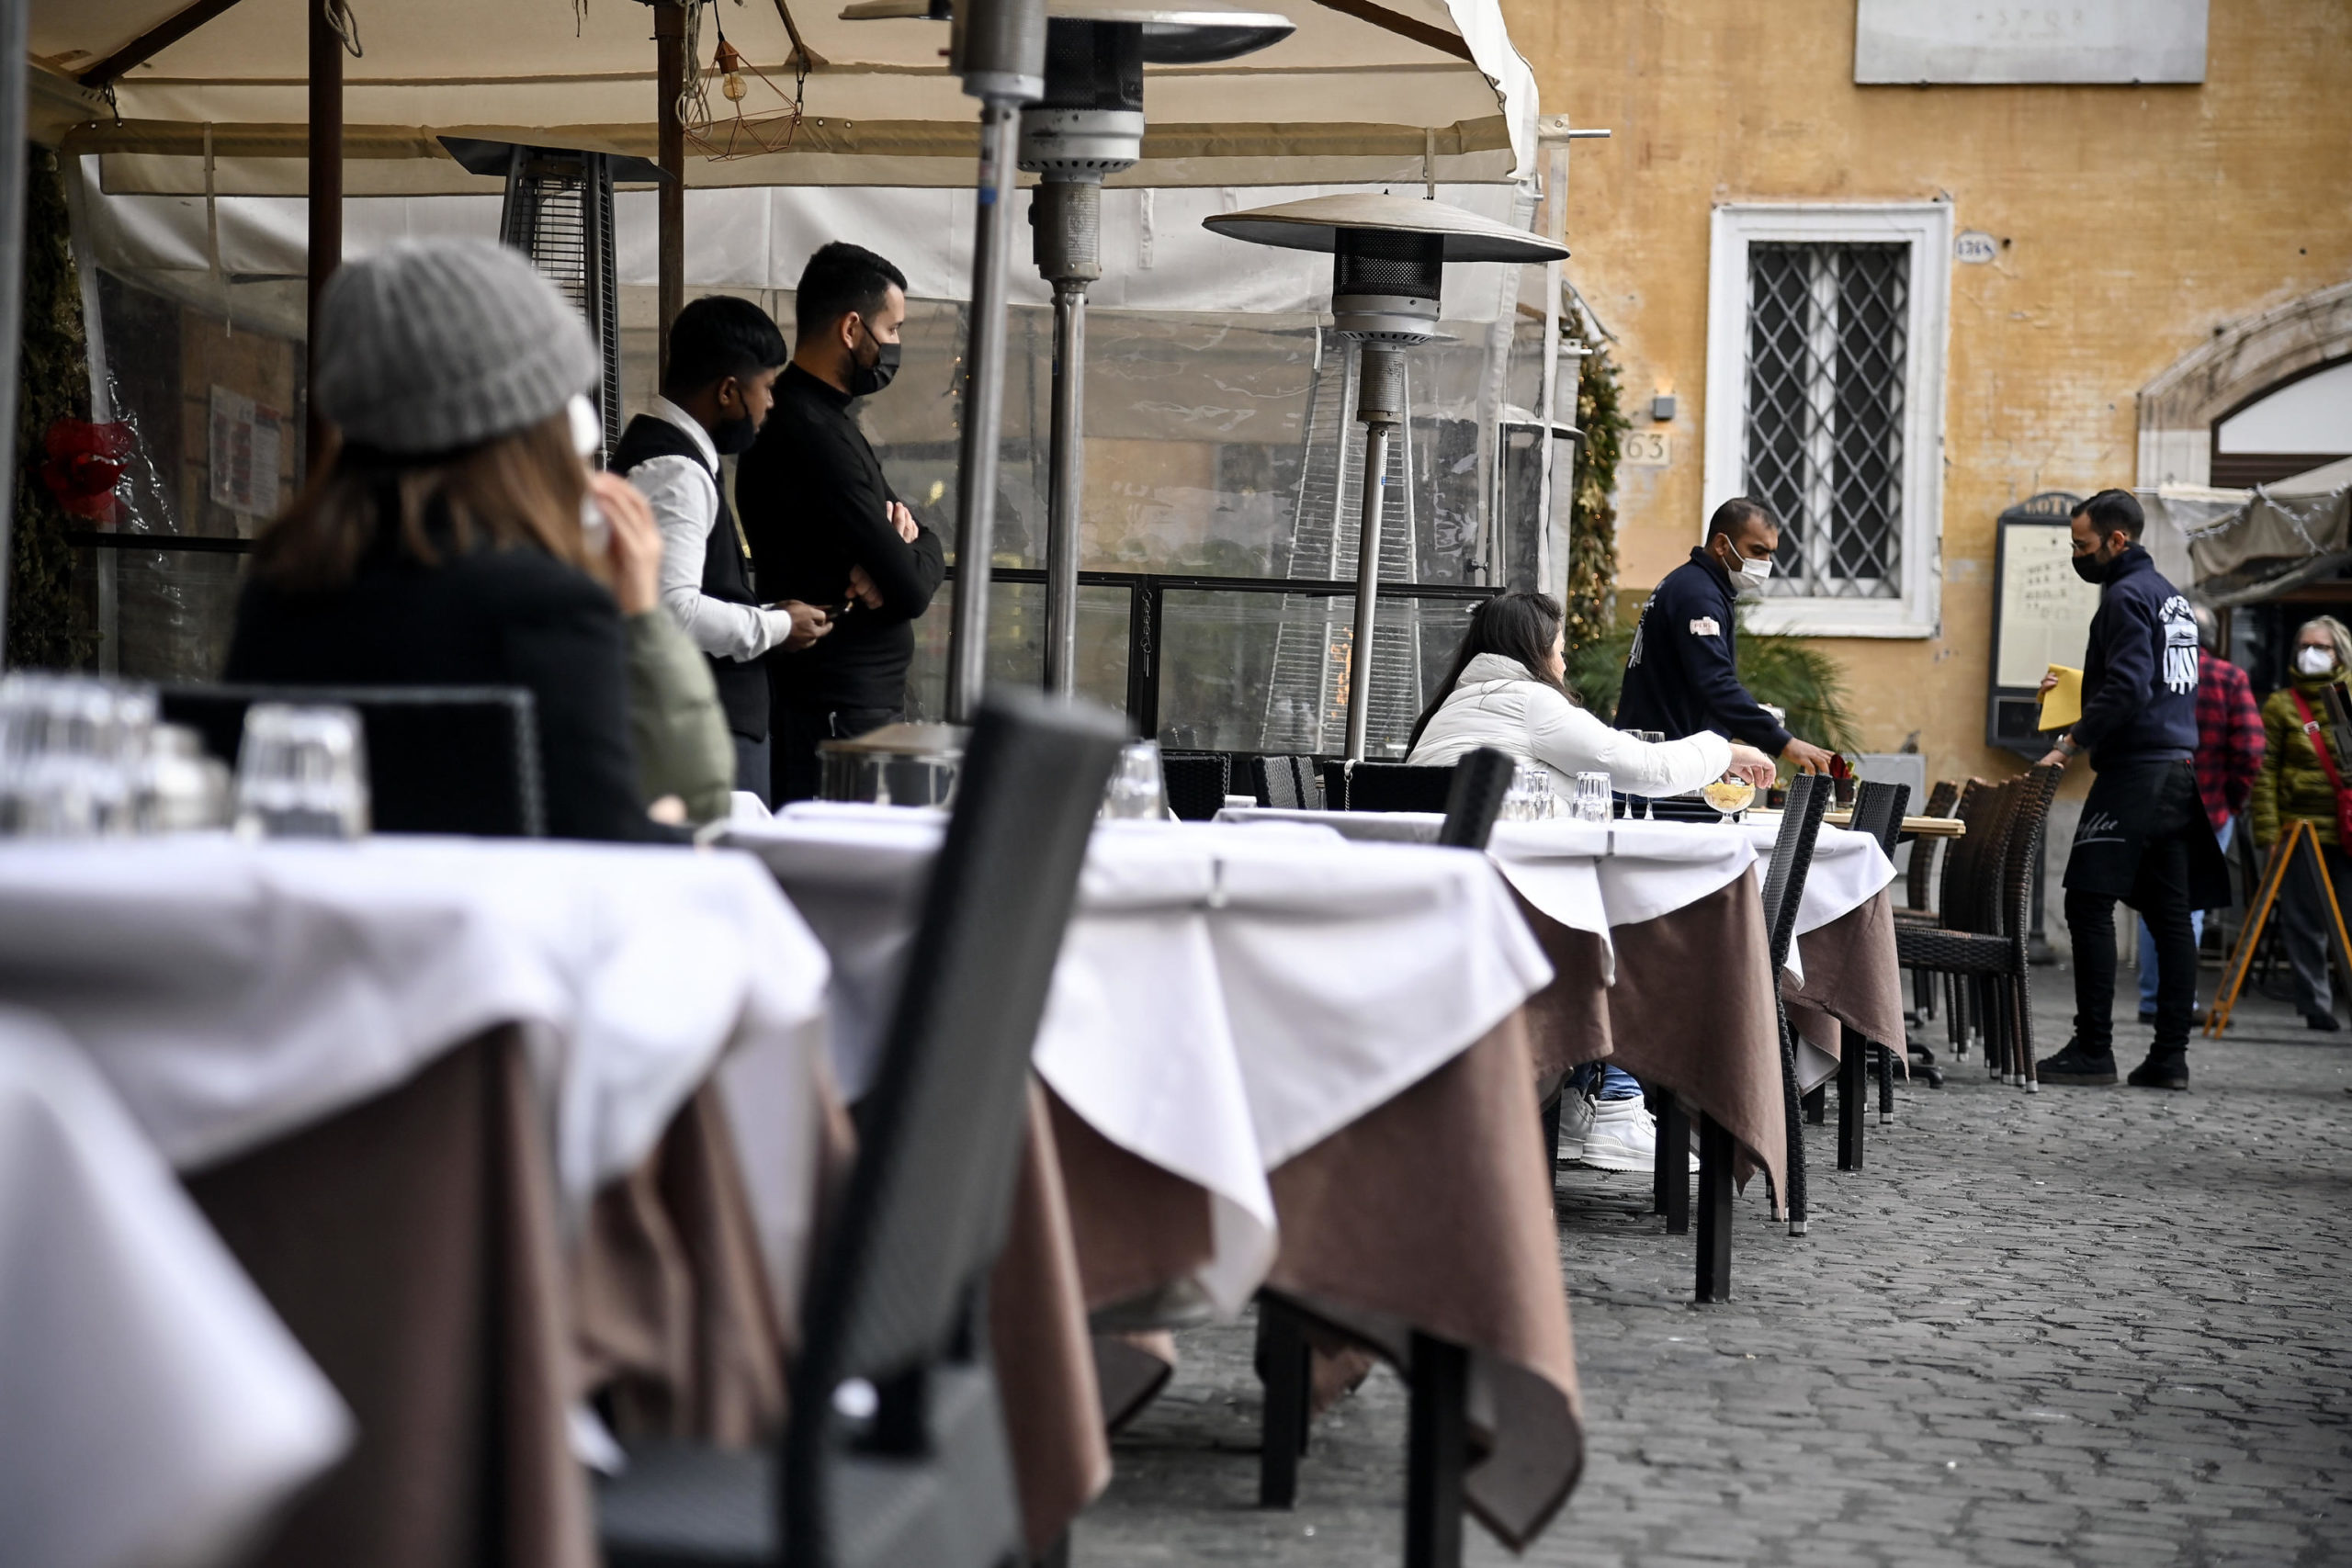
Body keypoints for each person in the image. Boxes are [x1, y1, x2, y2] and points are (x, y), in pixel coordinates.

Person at [226, 238, 709, 843]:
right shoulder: (549, 606)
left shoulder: (279, 589)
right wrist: (665, 824)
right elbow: (607, 851)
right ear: (527, 420)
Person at [1408, 591, 1777, 1174]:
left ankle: (1588, 1094)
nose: (1563, 664)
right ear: (1533, 651)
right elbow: (1644, 768)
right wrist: (1721, 748)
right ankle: (1614, 1100)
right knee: (1644, 933)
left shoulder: (1448, 711)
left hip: (1444, 926)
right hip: (1521, 924)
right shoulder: (1528, 702)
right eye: (1558, 650)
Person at [2035, 490, 2230, 1089]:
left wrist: (2069, 742)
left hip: (2135, 774)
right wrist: (2078, 686)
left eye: (2084, 544)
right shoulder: (2170, 597)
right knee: (2172, 915)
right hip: (2175, 767)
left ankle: (2094, 1048)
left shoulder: (2123, 596)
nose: (2077, 554)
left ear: (2118, 540)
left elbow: (2127, 685)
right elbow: (2146, 678)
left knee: (2087, 901)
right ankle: (2169, 1058)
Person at [737, 243, 945, 803]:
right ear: (853, 328)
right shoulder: (811, 433)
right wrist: (910, 556)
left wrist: (913, 543)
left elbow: (915, 541)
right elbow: (909, 590)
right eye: (893, 328)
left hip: (850, 709)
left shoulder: (824, 420)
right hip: (836, 719)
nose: (896, 345)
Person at [614, 295, 831, 806]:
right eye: (768, 388)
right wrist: (776, 626)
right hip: (701, 733)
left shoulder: (664, 456)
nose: (771, 405)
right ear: (730, 392)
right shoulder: (677, 473)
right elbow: (673, 612)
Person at [1615, 496, 1838, 776]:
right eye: (1757, 551)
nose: (1765, 563)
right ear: (1722, 544)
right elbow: (1715, 683)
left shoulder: (1695, 584)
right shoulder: (1699, 596)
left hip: (1666, 758)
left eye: (1770, 553)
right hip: (1666, 766)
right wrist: (1784, 742)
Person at [2132, 605, 2262, 1022]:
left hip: (2151, 802)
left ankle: (2154, 998)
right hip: (2210, 807)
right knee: (2189, 909)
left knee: (2151, 902)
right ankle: (2177, 1003)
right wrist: (2232, 802)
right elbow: (2250, 750)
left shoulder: (2152, 675)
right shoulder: (2229, 678)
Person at [2252, 615, 2352, 1031]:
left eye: (2321, 647)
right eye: (2305, 646)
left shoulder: (2347, 698)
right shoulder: (2281, 705)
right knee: (2304, 921)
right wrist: (2269, 833)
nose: (2311, 654)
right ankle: (2315, 1004)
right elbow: (2266, 773)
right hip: (2301, 832)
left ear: (2340, 652)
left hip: (2347, 831)